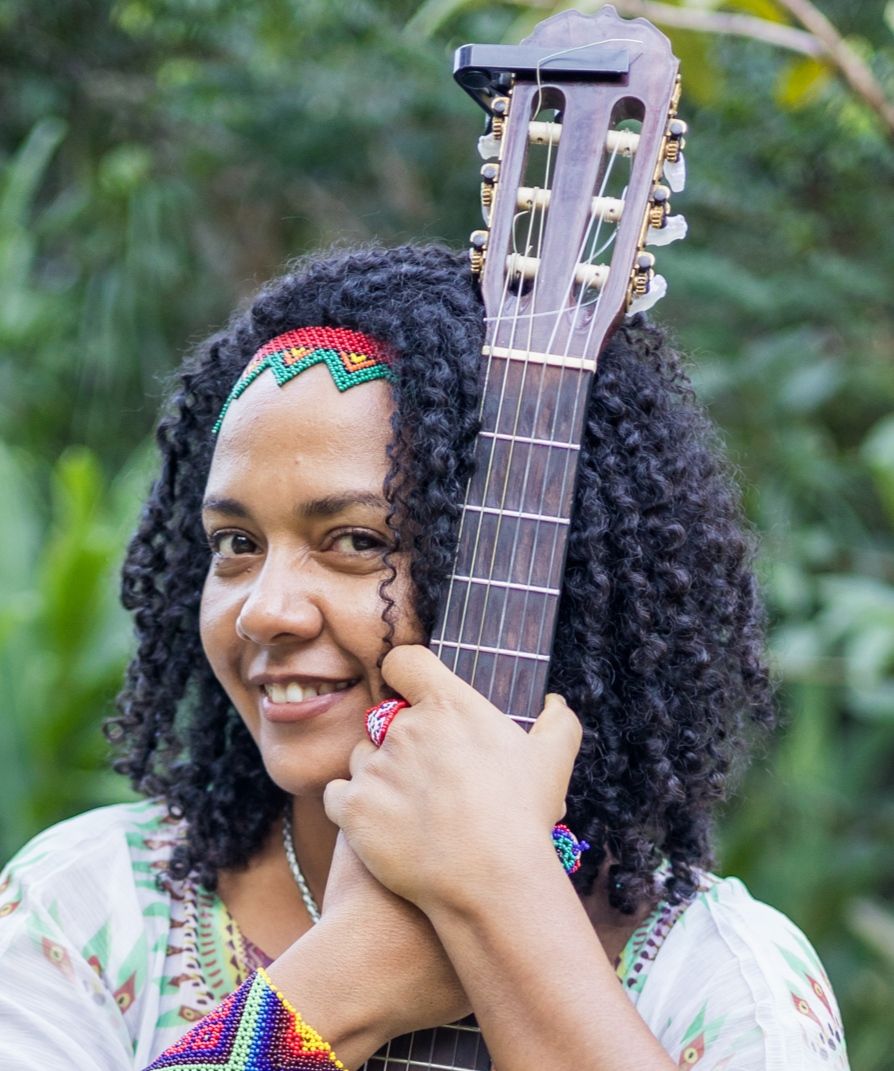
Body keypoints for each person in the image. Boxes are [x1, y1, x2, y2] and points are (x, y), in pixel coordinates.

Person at [0, 243, 848, 1070]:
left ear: (536, 565)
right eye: (235, 542)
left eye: (357, 540)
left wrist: (503, 902)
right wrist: (338, 987)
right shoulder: (84, 910)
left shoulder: (718, 981)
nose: (265, 609)